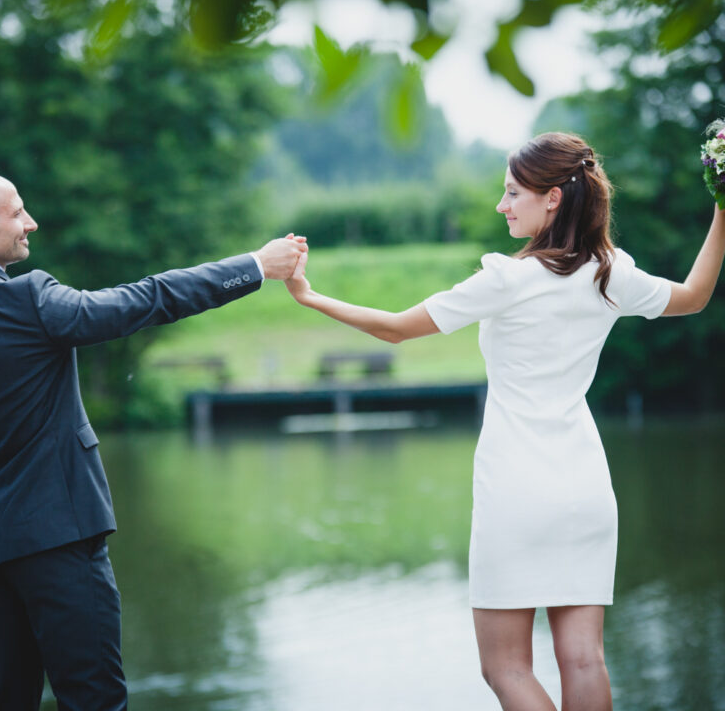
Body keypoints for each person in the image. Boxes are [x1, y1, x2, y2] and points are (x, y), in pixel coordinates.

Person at [284, 132, 725, 711]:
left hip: (516, 487)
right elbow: (694, 296)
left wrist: (308, 295)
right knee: (585, 658)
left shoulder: (507, 279)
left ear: (553, 200)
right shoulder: (609, 272)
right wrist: (721, 203)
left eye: (513, 192)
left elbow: (394, 327)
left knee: (505, 667)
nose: (502, 204)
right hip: (585, 486)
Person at [0, 170, 307, 711]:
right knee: (95, 700)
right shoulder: (28, 300)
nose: (31, 222)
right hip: (60, 539)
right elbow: (146, 299)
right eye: (17, 212)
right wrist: (256, 267)